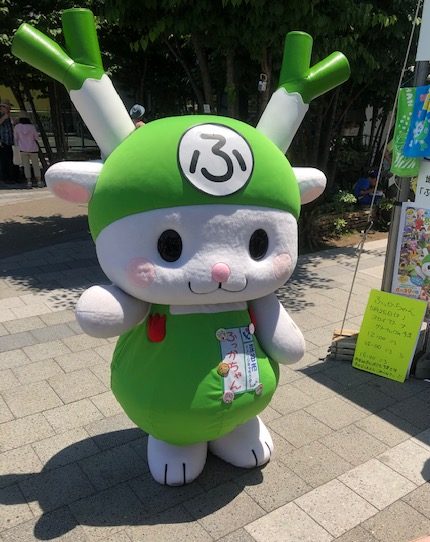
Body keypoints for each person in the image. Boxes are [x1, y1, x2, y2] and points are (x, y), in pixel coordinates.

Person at [13, 115, 42, 188]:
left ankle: (29, 182)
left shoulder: (17, 127)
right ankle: (39, 181)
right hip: (33, 148)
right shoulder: (32, 127)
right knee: (36, 165)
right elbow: (36, 137)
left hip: (22, 149)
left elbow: (15, 138)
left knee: (26, 166)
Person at [0, 102, 15, 183]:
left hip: (10, 142)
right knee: (4, 161)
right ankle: (4, 177)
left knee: (10, 160)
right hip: (2, 142)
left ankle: (11, 177)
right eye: (6, 107)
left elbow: (13, 125)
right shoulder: (2, 116)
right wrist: (4, 117)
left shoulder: (10, 116)